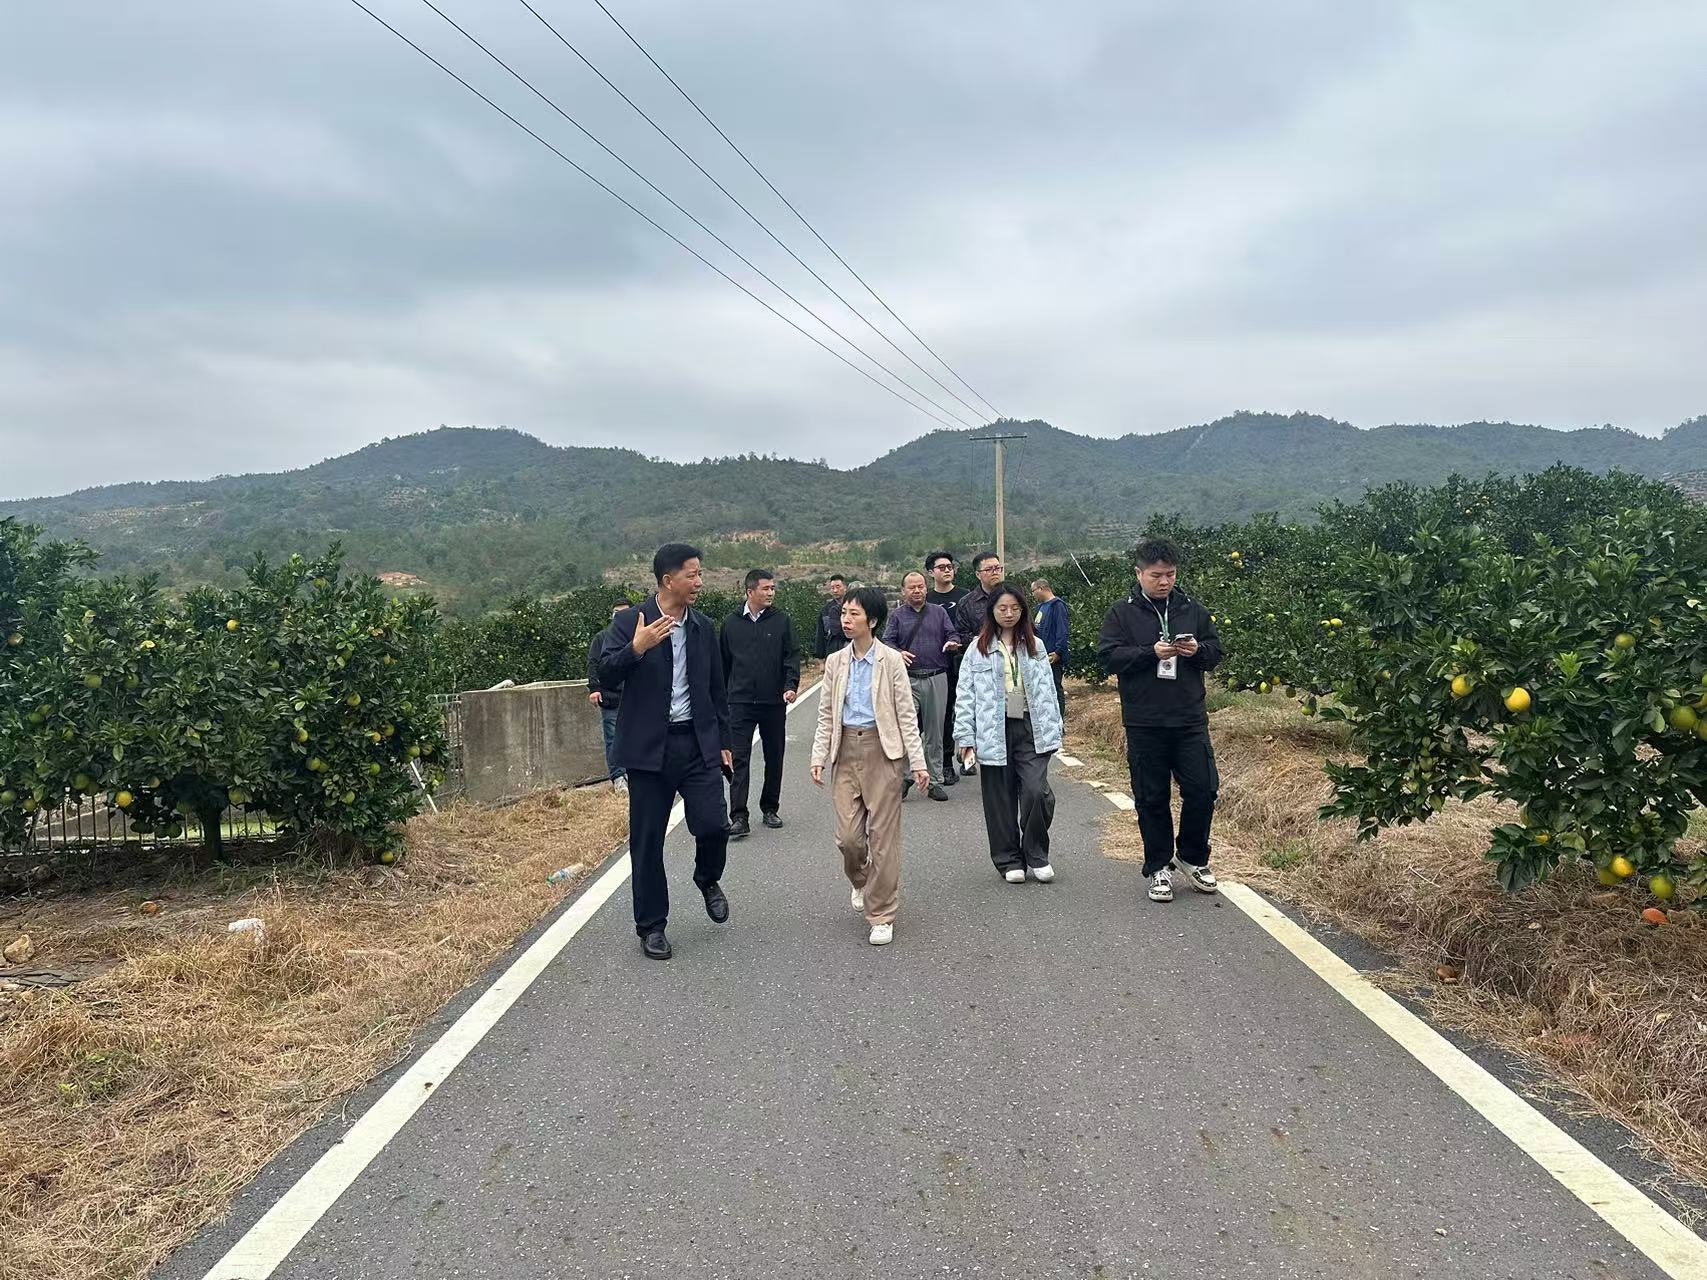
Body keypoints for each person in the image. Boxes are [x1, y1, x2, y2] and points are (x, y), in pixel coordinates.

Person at [597, 543, 734, 960]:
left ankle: (706, 877)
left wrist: (724, 742)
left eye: (700, 574)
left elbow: (716, 689)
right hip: (648, 748)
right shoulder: (630, 622)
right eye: (692, 575)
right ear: (667, 580)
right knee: (648, 840)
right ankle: (652, 926)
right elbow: (605, 674)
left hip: (696, 742)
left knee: (714, 824)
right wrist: (636, 648)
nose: (699, 582)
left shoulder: (702, 627)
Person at [1095, 538, 1224, 904]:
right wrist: (1149, 653)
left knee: (1203, 789)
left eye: (1170, 574)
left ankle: (1192, 857)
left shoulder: (1192, 609)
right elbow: (1109, 657)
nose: (1164, 581)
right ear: (1139, 573)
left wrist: (1197, 650)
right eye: (1156, 575)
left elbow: (1215, 653)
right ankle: (1158, 866)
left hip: (1189, 718)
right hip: (1145, 720)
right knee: (1151, 796)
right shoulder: (1121, 613)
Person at [810, 586, 929, 946]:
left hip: (883, 752)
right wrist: (818, 757)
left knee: (883, 839)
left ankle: (882, 914)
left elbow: (906, 715)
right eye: (843, 613)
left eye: (854, 614)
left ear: (872, 621)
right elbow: (826, 715)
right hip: (845, 751)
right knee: (848, 839)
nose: (846, 620)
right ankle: (862, 880)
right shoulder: (835, 662)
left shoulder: (890, 661)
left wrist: (918, 762)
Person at [955, 583, 1063, 883]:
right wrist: (965, 737)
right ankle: (1008, 859)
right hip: (993, 727)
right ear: (991, 611)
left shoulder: (1035, 645)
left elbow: (1048, 690)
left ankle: (1036, 853)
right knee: (999, 798)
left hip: (1030, 726)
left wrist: (1056, 726)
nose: (1009, 613)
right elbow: (965, 695)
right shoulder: (977, 649)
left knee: (1036, 791)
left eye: (1015, 608)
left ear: (1023, 611)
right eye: (1002, 608)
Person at [720, 569, 801, 838]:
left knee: (774, 756)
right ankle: (739, 816)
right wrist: (723, 699)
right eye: (766, 588)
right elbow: (723, 664)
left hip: (773, 702)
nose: (771, 593)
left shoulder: (781, 621)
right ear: (750, 591)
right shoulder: (731, 623)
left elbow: (791, 657)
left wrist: (790, 686)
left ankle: (770, 808)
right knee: (739, 759)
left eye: (773, 588)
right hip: (740, 702)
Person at [882, 571, 955, 802]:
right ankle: (905, 777)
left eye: (921, 586)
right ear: (903, 591)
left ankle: (934, 781)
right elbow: (887, 641)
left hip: (937, 677)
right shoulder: (897, 616)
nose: (917, 591)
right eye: (912, 587)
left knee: (935, 732)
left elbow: (952, 633)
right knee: (906, 730)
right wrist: (898, 652)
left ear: (926, 588)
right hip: (907, 679)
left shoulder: (939, 612)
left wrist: (952, 642)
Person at [951, 552, 1005, 775]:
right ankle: (968, 758)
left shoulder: (1011, 597)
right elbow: (959, 634)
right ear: (978, 574)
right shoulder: (967, 603)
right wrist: (977, 640)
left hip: (1008, 665)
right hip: (979, 666)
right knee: (973, 713)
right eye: (989, 569)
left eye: (998, 568)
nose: (995, 572)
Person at [926, 551, 968, 785]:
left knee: (968, 710)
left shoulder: (966, 597)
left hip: (964, 661)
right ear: (931, 572)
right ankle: (945, 763)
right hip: (938, 664)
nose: (947, 570)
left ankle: (968, 756)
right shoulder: (926, 599)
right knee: (943, 714)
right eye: (941, 567)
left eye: (950, 566)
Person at [586, 599, 634, 793]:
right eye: (616, 612)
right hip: (611, 697)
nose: (618, 616)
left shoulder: (640, 636)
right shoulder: (602, 638)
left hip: (635, 698)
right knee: (613, 738)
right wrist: (594, 689)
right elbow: (593, 663)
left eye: (623, 612)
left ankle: (634, 774)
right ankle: (618, 777)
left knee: (637, 737)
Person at [1030, 578, 1070, 717]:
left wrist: (1058, 651)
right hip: (1041, 655)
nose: (1033, 595)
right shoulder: (1041, 607)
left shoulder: (1057, 606)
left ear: (1041, 588)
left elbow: (1062, 630)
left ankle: (1059, 719)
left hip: (1052, 656)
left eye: (1033, 591)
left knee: (1055, 688)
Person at [814, 574, 850, 659]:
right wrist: (820, 657)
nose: (835, 590)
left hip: (849, 649)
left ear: (845, 588)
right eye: (832, 588)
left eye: (838, 587)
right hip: (832, 652)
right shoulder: (825, 610)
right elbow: (820, 633)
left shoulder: (853, 606)